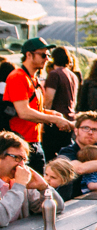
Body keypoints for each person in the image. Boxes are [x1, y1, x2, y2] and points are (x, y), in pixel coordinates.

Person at [4, 37, 74, 173]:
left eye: (48, 55)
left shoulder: (34, 79)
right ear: (29, 55)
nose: (47, 59)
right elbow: (24, 112)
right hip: (19, 144)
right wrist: (54, 119)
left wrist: (53, 114)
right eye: (43, 55)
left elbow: (35, 109)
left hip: (34, 141)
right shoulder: (18, 77)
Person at [0, 132, 65, 227]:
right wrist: (19, 186)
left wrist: (44, 187)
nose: (22, 164)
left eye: (24, 160)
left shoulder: (19, 180)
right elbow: (1, 218)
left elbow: (58, 208)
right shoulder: (20, 183)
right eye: (17, 158)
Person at [41, 47, 78, 161]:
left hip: (56, 121)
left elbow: (49, 99)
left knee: (50, 155)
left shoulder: (54, 74)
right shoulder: (73, 75)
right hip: (70, 118)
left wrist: (43, 118)